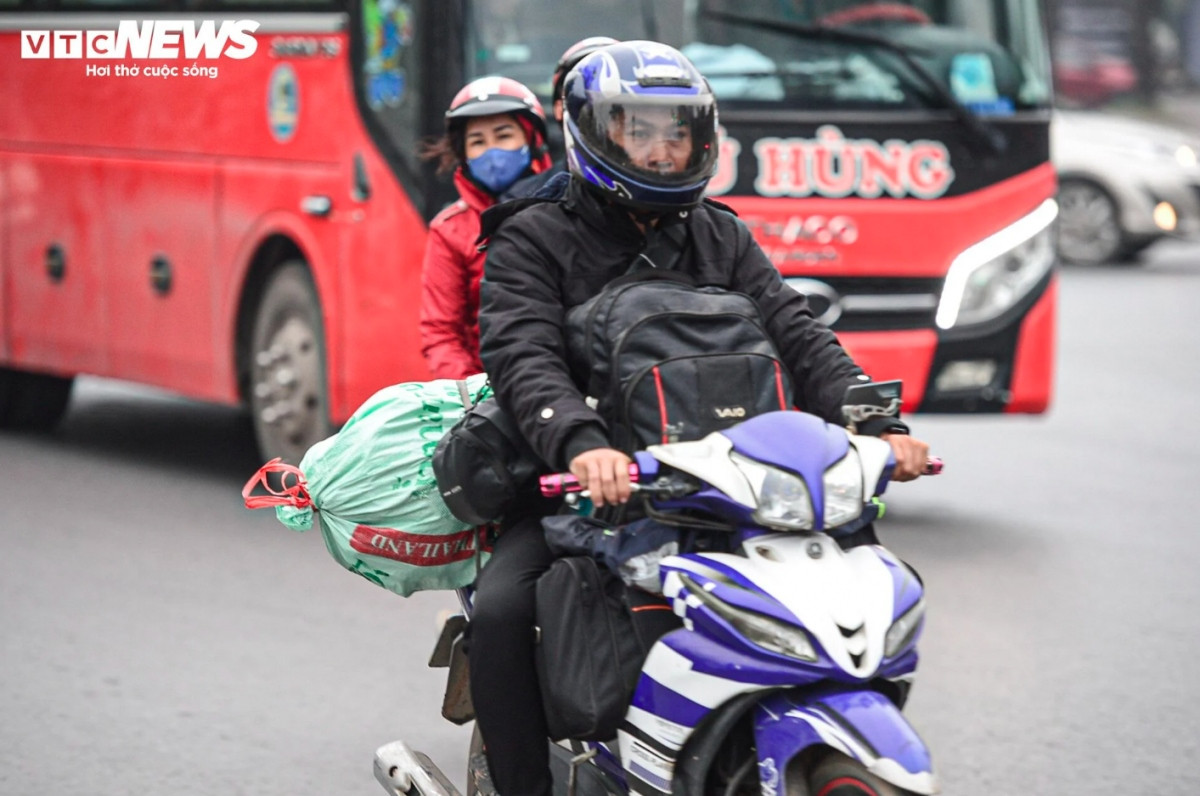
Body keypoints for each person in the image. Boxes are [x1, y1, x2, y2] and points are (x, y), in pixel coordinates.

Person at [469, 41, 931, 796]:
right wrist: (582, 446)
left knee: (858, 582)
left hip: (737, 488)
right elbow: (522, 354)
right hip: (592, 486)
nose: (660, 151)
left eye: (675, 133)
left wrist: (875, 423)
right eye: (638, 131)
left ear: (702, 138)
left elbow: (799, 334)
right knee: (503, 612)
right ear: (592, 131)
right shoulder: (533, 232)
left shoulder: (718, 232)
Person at [418, 76, 553, 379]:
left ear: (532, 140)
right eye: (477, 142)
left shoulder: (566, 209)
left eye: (504, 136)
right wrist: (474, 397)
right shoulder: (449, 230)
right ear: (462, 153)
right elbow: (441, 332)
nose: (492, 152)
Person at [505, 36, 618, 199]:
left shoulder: (664, 191)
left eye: (611, 95)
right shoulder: (524, 199)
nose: (598, 107)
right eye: (582, 93)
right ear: (559, 108)